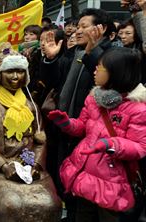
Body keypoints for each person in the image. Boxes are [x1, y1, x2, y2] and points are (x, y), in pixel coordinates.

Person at [48, 47, 146, 222]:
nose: (94, 70)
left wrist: (111, 144)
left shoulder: (138, 109)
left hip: (112, 182)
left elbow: (140, 147)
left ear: (117, 73)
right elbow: (83, 127)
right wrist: (67, 124)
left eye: (99, 67)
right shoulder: (94, 98)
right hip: (85, 173)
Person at [0, 51, 61, 221]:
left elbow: (40, 140)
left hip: (29, 166)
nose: (15, 76)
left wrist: (35, 164)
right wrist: (4, 166)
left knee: (50, 203)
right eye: (10, 71)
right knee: (11, 204)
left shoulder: (31, 106)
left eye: (20, 71)